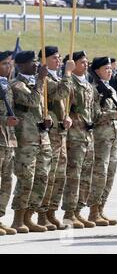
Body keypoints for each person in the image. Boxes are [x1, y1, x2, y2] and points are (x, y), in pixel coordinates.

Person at [10, 51, 52, 233]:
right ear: (20, 66)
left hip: (41, 137)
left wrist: (47, 118)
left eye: (36, 61)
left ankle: (29, 216)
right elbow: (32, 101)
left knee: (42, 179)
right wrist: (41, 80)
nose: (36, 65)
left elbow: (39, 108)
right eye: (31, 62)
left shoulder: (37, 83)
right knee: (26, 179)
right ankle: (18, 219)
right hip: (25, 140)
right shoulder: (17, 84)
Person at [87, 57, 117, 226]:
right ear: (97, 71)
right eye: (106, 68)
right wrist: (114, 115)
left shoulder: (110, 88)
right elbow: (93, 116)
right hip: (101, 138)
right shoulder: (94, 90)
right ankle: (93, 211)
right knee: (100, 175)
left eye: (111, 68)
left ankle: (101, 209)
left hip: (113, 136)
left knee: (110, 175)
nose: (110, 71)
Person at [36, 46, 74, 231]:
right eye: (54, 58)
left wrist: (66, 116)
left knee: (60, 176)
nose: (59, 61)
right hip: (50, 134)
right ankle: (42, 214)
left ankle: (52, 210)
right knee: (49, 175)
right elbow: (60, 93)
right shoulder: (44, 79)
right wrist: (68, 73)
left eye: (59, 58)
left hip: (61, 133)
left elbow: (62, 101)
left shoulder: (57, 77)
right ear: (44, 60)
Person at [62, 51, 96, 229]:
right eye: (82, 62)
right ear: (73, 64)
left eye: (87, 62)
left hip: (88, 136)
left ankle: (78, 211)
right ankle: (69, 213)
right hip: (74, 136)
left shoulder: (88, 84)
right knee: (73, 176)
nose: (86, 64)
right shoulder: (70, 83)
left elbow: (93, 110)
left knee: (85, 177)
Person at [0, 51, 18, 235]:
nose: (9, 66)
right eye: (5, 63)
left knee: (6, 181)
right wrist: (4, 121)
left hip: (8, 140)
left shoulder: (8, 85)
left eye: (10, 63)